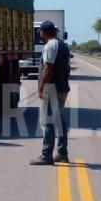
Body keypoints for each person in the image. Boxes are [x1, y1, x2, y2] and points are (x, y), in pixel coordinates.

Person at [30, 21, 71, 166]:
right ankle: (62, 153)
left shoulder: (50, 45)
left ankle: (46, 155)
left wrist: (41, 88)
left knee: (47, 122)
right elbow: (68, 68)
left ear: (43, 32)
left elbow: (48, 68)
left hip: (51, 88)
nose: (40, 34)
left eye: (40, 32)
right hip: (62, 87)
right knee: (59, 121)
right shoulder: (63, 45)